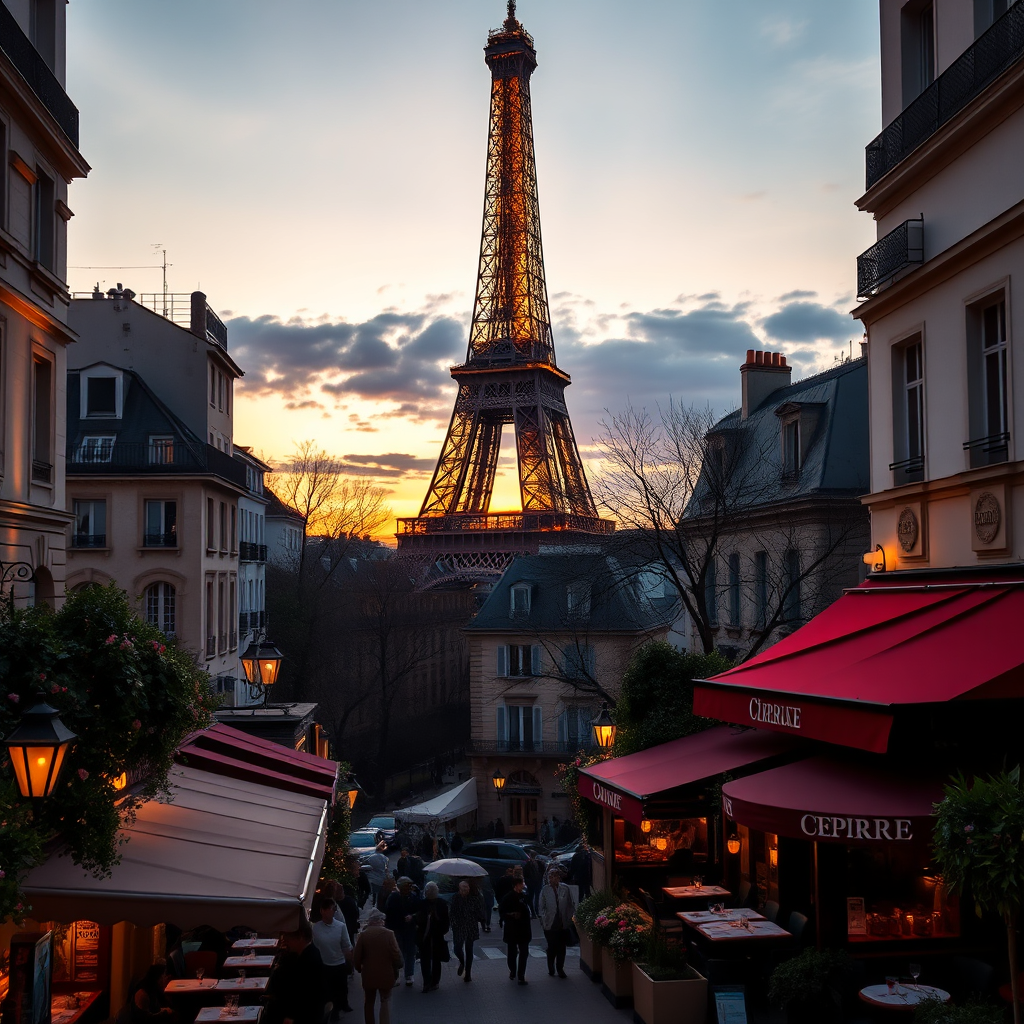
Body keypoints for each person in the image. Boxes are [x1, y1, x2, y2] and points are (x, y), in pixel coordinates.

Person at [351, 909, 402, 1024]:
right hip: (386, 974)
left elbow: (357, 956)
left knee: (369, 1002)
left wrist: (359, 968)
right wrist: (397, 967)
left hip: (368, 975)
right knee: (385, 1000)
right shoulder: (389, 934)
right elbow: (396, 954)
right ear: (379, 920)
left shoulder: (363, 935)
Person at [272, 919, 327, 1024]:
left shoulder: (309, 959)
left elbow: (304, 996)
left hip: (305, 1017)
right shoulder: (308, 953)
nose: (285, 940)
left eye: (288, 936)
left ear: (301, 936)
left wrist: (291, 1016)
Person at [311, 898, 353, 1018]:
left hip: (339, 963)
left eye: (334, 909)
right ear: (322, 911)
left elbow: (346, 945)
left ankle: (341, 1006)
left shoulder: (340, 927)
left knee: (341, 988)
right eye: (331, 908)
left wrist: (349, 961)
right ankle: (333, 1010)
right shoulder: (315, 928)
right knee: (328, 990)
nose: (333, 911)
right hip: (324, 964)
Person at [538, 868, 575, 979]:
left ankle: (560, 968)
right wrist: (543, 919)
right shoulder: (545, 889)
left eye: (553, 876)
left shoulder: (565, 888)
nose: (551, 879)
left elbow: (570, 904)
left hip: (562, 922)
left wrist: (569, 918)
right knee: (552, 946)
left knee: (561, 947)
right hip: (550, 923)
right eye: (550, 877)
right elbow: (541, 906)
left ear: (558, 878)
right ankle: (550, 965)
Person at [414, 881, 450, 993]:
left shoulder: (421, 904)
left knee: (425, 959)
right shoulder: (442, 904)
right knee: (436, 959)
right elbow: (446, 922)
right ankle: (435, 982)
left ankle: (427, 982)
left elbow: (418, 920)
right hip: (437, 936)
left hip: (425, 936)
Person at [383, 877, 419, 988]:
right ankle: (397, 974)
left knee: (410, 952)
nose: (408, 888)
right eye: (406, 886)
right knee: (398, 952)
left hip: (409, 929)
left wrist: (412, 917)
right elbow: (388, 912)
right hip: (397, 928)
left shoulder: (413, 897)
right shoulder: (393, 897)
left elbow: (419, 911)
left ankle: (409, 975)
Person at [449, 880, 485, 982]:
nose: (465, 890)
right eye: (462, 889)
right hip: (459, 926)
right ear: (459, 889)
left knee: (469, 949)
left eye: (466, 888)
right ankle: (462, 961)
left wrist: (481, 918)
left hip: (470, 926)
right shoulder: (456, 898)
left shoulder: (475, 898)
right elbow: (452, 912)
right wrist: (453, 923)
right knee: (457, 948)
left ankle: (468, 973)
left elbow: (480, 911)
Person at [499, 877, 532, 985]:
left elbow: (528, 910)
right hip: (512, 929)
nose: (523, 885)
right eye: (521, 883)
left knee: (524, 952)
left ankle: (521, 974)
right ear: (516, 885)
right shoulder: (508, 897)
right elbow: (502, 912)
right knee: (512, 953)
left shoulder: (524, 896)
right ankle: (513, 970)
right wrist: (511, 915)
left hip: (524, 929)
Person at [364, 843, 389, 908]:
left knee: (374, 893)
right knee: (380, 895)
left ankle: (374, 905)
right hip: (381, 879)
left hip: (373, 879)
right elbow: (386, 870)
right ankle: (379, 906)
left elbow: (364, 864)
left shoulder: (371, 857)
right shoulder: (385, 858)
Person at [524, 852, 543, 917]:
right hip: (535, 882)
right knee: (534, 897)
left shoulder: (528, 864)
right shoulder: (538, 863)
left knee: (532, 898)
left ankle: (534, 913)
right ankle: (535, 912)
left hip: (533, 882)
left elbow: (525, 874)